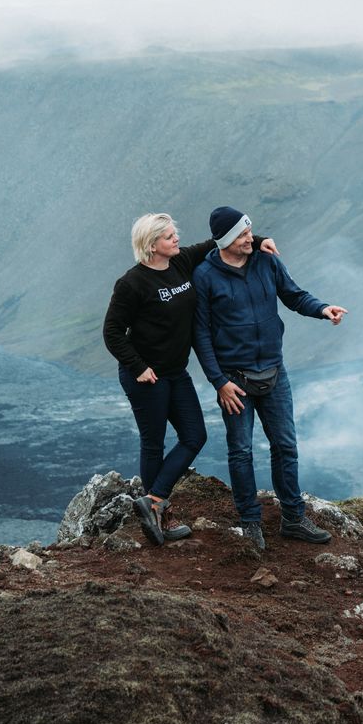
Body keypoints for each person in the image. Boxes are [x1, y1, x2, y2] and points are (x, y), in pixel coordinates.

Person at [103, 212, 277, 546]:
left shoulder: (181, 263)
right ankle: (160, 515)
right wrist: (138, 366)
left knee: (194, 436)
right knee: (153, 442)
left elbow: (219, 240)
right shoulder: (132, 283)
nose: (177, 239)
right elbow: (112, 332)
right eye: (169, 237)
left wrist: (258, 239)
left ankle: (153, 502)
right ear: (152, 245)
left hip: (175, 372)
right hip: (146, 378)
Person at [192, 206, 347, 549]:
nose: (252, 238)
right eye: (244, 234)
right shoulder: (205, 276)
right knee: (241, 451)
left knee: (286, 446)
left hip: (275, 372)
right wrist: (219, 381)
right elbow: (200, 334)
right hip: (235, 380)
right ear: (227, 240)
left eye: (250, 232)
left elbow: (294, 295)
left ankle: (293, 518)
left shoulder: (267, 261)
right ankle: (250, 523)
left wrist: (323, 309)